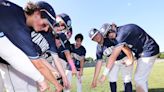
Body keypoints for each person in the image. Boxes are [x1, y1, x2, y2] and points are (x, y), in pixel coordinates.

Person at [0, 1, 62, 92]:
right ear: (36, 14)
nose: (45, 29)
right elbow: (38, 64)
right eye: (45, 24)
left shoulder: (20, 15)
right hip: (7, 64)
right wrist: (52, 83)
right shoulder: (18, 26)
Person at [99, 23, 159, 92]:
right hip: (142, 52)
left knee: (139, 79)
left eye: (109, 31)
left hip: (149, 50)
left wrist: (104, 75)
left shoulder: (122, 33)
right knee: (141, 79)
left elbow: (112, 57)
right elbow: (125, 47)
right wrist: (130, 58)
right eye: (106, 35)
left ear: (113, 26)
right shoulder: (118, 37)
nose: (109, 35)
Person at [89, 28, 134, 92]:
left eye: (97, 34)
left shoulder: (110, 38)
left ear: (100, 33)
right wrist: (94, 80)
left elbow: (123, 46)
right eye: (93, 38)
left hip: (124, 58)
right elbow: (99, 63)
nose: (96, 37)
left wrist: (130, 58)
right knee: (112, 79)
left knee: (127, 79)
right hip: (113, 62)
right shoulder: (99, 48)